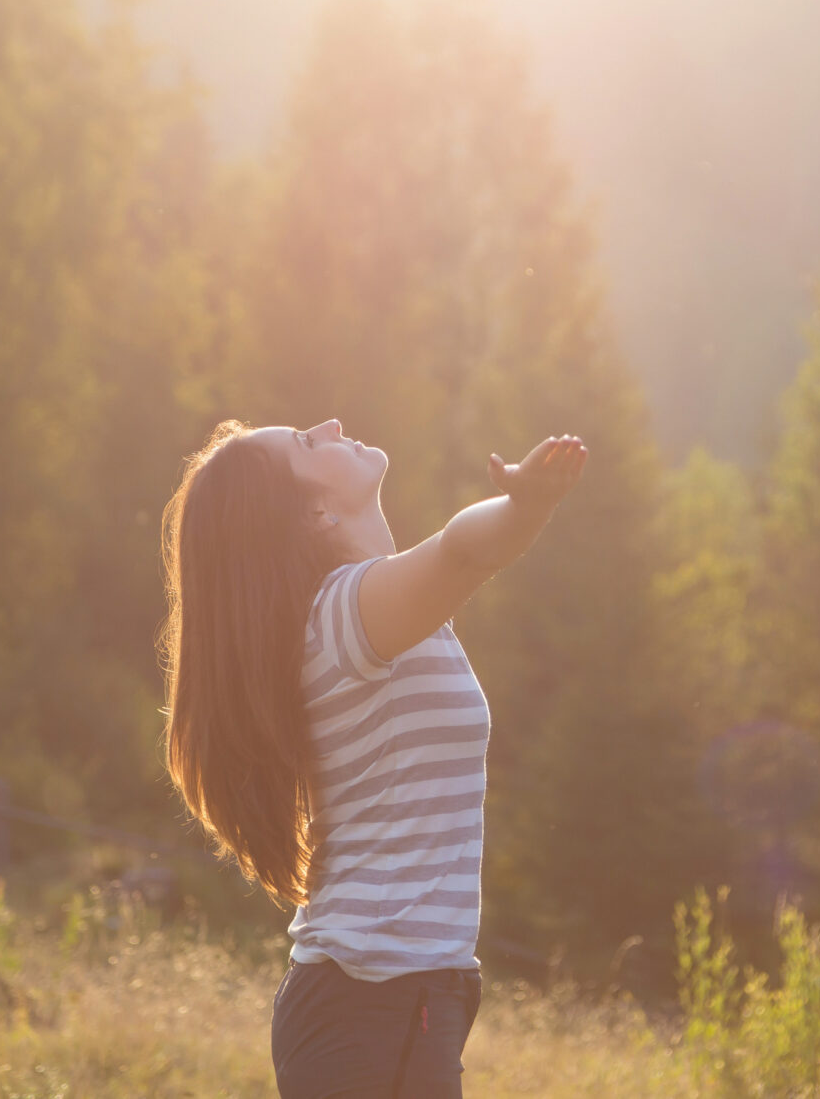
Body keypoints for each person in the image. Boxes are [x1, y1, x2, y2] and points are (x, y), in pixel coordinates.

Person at [159, 418, 587, 1099]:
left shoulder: (369, 616)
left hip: (394, 993)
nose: (329, 424)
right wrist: (525, 503)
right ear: (314, 512)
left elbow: (465, 555)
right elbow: (465, 549)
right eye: (306, 441)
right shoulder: (346, 619)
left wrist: (526, 509)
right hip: (374, 996)